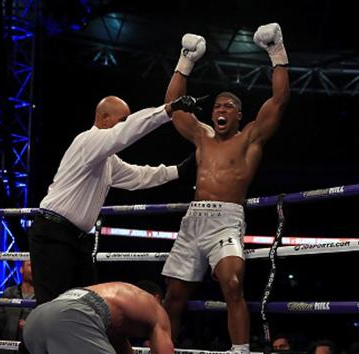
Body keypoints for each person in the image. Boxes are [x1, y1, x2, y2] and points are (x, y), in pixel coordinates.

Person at [161, 23, 291, 354]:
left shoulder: (250, 137)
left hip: (227, 219)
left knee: (233, 284)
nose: (221, 110)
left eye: (228, 107)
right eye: (217, 106)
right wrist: (185, 61)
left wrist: (276, 52)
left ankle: (241, 351)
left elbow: (279, 100)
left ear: (239, 115)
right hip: (193, 220)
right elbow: (172, 106)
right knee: (173, 297)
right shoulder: (201, 135)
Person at [28, 95, 200, 305]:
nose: (125, 125)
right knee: (52, 307)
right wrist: (168, 110)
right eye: (122, 120)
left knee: (84, 306)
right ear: (104, 119)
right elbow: (126, 133)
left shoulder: (107, 160)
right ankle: (32, 339)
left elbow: (138, 176)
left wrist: (179, 171)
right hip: (53, 234)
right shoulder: (88, 142)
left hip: (77, 240)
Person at [23, 281, 174, 354]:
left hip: (37, 318)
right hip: (72, 317)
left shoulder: (116, 314)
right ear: (157, 297)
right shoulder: (157, 310)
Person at [0, 261, 34, 354]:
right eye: (30, 265)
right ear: (21, 269)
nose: (35, 268)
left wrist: (31, 327)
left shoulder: (44, 297)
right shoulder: (8, 293)